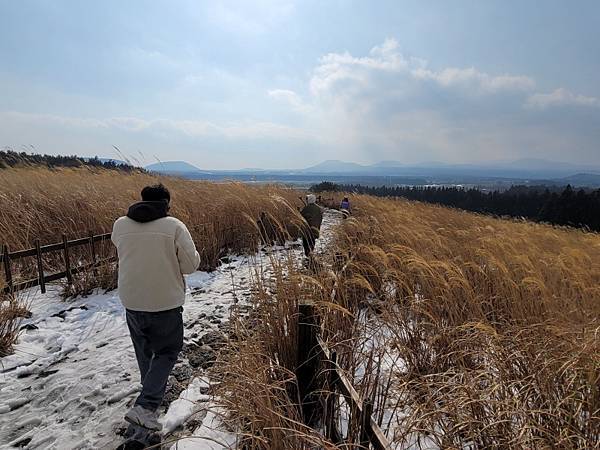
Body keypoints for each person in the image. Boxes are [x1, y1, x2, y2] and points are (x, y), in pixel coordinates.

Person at [111, 184, 200, 431]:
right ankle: (146, 406)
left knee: (144, 352)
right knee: (168, 351)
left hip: (132, 300)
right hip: (164, 302)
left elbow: (121, 246)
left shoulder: (120, 225)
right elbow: (190, 265)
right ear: (166, 203)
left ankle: (147, 396)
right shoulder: (174, 226)